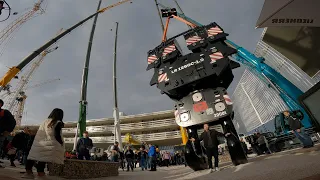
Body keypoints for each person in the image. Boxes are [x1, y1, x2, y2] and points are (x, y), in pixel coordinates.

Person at [22, 108, 65, 179]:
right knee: (43, 159)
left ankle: (28, 173)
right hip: (50, 143)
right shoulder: (57, 122)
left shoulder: (45, 121)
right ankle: (40, 174)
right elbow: (56, 135)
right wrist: (61, 142)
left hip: (40, 143)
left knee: (33, 157)